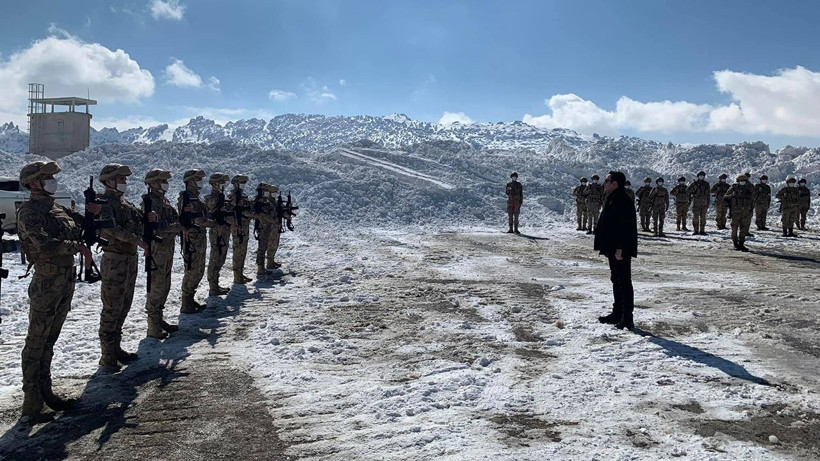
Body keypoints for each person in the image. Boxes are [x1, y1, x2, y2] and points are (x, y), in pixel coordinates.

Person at [16, 161, 101, 422]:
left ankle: (46, 393)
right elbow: (45, 243)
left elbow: (84, 227)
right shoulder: (29, 211)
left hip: (64, 280)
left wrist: (93, 214)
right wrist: (77, 247)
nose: (52, 180)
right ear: (33, 183)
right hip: (47, 282)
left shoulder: (56, 208)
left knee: (49, 341)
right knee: (36, 342)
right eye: (47, 177)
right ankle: (31, 403)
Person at [97, 164, 150, 370]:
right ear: (109, 181)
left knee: (124, 305)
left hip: (128, 257)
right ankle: (107, 355)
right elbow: (111, 230)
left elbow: (137, 224)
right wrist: (136, 239)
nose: (125, 183)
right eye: (121, 179)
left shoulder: (125, 204)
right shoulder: (104, 203)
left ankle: (116, 348)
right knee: (111, 307)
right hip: (115, 259)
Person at [594, 171, 638, 330]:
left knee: (624, 281)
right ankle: (617, 313)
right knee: (616, 279)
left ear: (615, 183)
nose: (604, 183)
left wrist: (621, 248)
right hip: (612, 247)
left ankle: (627, 317)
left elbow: (625, 227)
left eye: (607, 181)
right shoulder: (612, 198)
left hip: (620, 248)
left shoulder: (623, 200)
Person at [142, 169, 182, 339]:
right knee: (156, 286)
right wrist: (171, 226)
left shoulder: (163, 202)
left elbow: (176, 220)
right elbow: (157, 227)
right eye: (161, 181)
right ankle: (153, 326)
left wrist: (170, 226)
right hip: (157, 248)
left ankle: (159, 320)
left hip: (167, 247)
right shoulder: (149, 203)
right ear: (152, 183)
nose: (165, 183)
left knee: (165, 285)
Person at [178, 169, 211, 313]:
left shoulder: (197, 198)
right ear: (190, 181)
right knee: (191, 269)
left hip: (199, 237)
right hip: (191, 239)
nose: (200, 181)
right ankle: (186, 303)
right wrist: (213, 224)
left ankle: (190, 299)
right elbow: (194, 219)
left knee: (199, 269)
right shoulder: (185, 198)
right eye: (197, 179)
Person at [205, 173, 232, 296]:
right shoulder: (212, 198)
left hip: (224, 230)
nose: (223, 184)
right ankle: (213, 286)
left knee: (221, 258)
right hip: (217, 231)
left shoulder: (221, 197)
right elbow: (211, 213)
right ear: (214, 184)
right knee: (215, 258)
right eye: (220, 182)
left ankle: (215, 285)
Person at [227, 174, 254, 284]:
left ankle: (240, 273)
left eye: (244, 182)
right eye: (241, 182)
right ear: (235, 183)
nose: (243, 184)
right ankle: (237, 277)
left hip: (244, 225)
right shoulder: (233, 196)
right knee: (238, 250)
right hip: (238, 225)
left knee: (243, 250)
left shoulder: (243, 195)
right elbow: (234, 209)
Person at [253, 184, 279, 274]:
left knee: (265, 247)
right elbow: (263, 215)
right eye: (266, 191)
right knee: (262, 248)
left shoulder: (266, 202)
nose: (268, 193)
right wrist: (274, 221)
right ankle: (260, 268)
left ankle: (263, 267)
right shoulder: (259, 202)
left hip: (268, 227)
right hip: (263, 228)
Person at [724, 174, 754, 251]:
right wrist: (732, 195)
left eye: (744, 181)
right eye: (741, 181)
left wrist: (751, 209)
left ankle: (741, 243)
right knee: (734, 228)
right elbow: (725, 197)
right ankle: (735, 243)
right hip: (735, 212)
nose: (742, 182)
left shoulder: (749, 188)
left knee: (744, 228)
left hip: (745, 212)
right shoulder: (734, 188)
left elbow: (752, 199)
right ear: (738, 181)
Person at [688, 171, 710, 235]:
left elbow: (708, 194)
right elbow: (688, 191)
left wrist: (708, 203)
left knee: (703, 218)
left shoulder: (706, 184)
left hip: (704, 203)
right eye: (700, 175)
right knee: (696, 218)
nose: (701, 177)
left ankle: (702, 230)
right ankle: (696, 231)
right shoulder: (694, 184)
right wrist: (694, 190)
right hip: (696, 203)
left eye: (702, 176)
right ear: (697, 176)